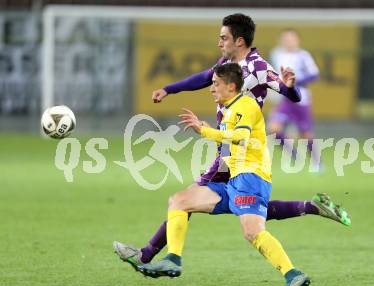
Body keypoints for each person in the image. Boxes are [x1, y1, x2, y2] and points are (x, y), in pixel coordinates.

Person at [113, 13, 350, 272]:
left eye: (223, 38)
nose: (219, 43)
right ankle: (312, 207)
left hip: (240, 148)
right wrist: (170, 89)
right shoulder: (227, 62)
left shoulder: (259, 67)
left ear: (239, 41)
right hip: (229, 147)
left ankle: (149, 257)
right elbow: (204, 77)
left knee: (186, 199)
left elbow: (288, 93)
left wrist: (291, 87)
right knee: (246, 207)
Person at [141, 63, 311, 286]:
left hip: (252, 177)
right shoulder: (230, 108)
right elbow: (232, 140)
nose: (211, 89)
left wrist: (205, 131)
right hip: (234, 179)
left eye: (216, 84)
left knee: (252, 232)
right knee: (180, 200)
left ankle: (293, 274)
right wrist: (208, 129)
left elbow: (240, 138)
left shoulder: (245, 105)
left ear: (231, 86)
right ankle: (173, 259)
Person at [268, 29, 320, 167]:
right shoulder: (277, 54)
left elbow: (315, 75)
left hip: (300, 99)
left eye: (291, 38)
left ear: (297, 40)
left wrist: (296, 81)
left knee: (305, 133)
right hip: (285, 98)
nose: (289, 41)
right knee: (273, 129)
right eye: (286, 38)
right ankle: (294, 154)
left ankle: (317, 162)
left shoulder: (303, 55)